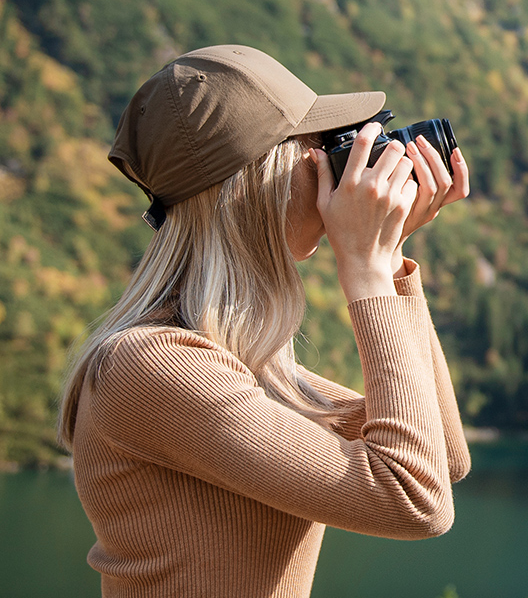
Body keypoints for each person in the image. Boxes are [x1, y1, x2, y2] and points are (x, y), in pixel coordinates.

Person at [53, 44, 473, 597]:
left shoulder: (238, 358)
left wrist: (392, 264)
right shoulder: (152, 366)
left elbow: (441, 456)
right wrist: (366, 272)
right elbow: (413, 501)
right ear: (259, 179)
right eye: (320, 149)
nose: (340, 171)